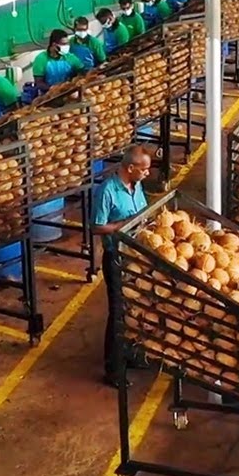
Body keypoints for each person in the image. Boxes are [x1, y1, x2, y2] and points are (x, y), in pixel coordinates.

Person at [93, 146, 153, 385]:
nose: (147, 173)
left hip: (136, 259)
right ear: (130, 168)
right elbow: (97, 227)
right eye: (144, 169)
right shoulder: (107, 191)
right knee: (118, 312)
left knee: (135, 309)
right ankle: (113, 369)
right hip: (116, 258)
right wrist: (123, 225)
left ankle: (131, 353)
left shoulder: (136, 186)